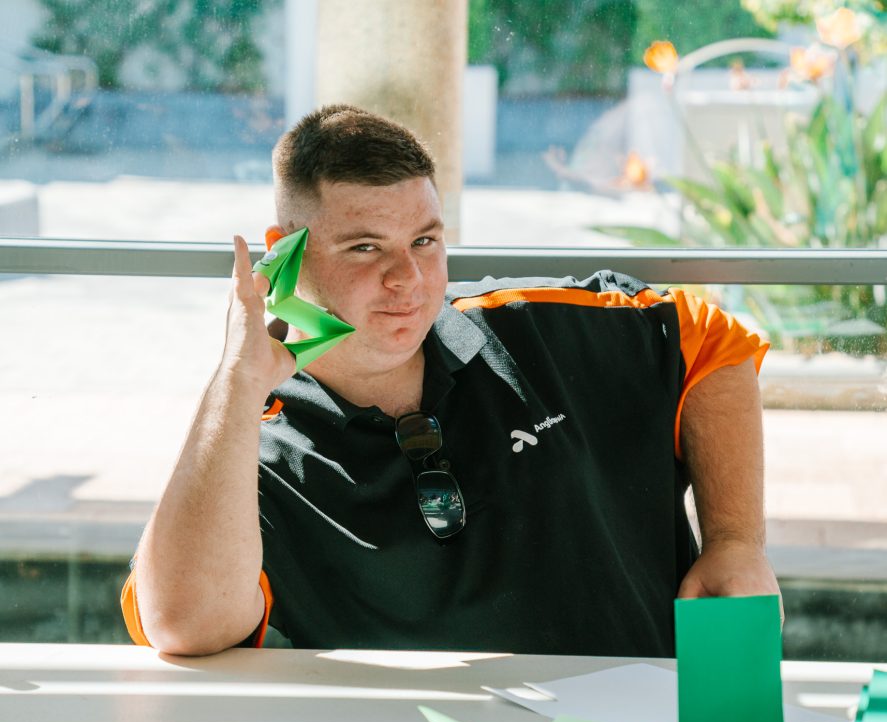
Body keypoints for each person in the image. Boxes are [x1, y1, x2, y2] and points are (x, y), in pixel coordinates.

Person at [122, 103, 779, 658]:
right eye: (364, 247)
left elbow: (710, 341)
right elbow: (181, 624)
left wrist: (735, 542)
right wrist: (237, 381)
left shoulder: (531, 326)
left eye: (425, 241)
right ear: (284, 250)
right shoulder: (256, 449)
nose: (407, 280)